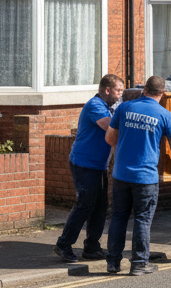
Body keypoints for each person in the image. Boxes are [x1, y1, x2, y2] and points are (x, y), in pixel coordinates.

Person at [104, 75, 171, 275]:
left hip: (121, 174)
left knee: (118, 217)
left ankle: (113, 263)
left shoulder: (124, 108)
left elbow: (110, 137)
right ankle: (139, 264)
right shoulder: (164, 115)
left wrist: (127, 146)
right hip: (145, 178)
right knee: (142, 220)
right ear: (162, 94)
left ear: (144, 90)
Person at [53, 74, 123, 263]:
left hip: (98, 165)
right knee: (85, 204)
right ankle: (63, 244)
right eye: (118, 91)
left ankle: (92, 247)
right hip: (83, 164)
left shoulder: (109, 107)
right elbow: (108, 127)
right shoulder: (95, 105)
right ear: (107, 90)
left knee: (100, 207)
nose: (120, 95)